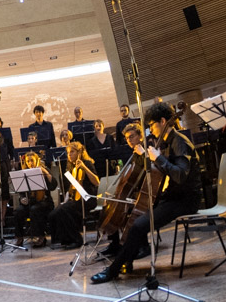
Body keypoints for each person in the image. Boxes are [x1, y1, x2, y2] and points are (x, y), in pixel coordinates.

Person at [91, 102, 201, 284]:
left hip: (185, 199)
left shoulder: (180, 142)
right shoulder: (166, 142)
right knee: (134, 218)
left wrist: (158, 158)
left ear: (163, 121)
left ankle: (113, 270)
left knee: (138, 225)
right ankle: (127, 260)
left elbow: (180, 175)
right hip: (171, 196)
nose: (150, 129)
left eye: (151, 125)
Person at [48, 141, 99, 248]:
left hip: (88, 198)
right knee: (54, 213)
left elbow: (96, 182)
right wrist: (65, 199)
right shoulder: (72, 167)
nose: (69, 155)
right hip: (76, 199)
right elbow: (71, 188)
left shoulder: (88, 163)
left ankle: (77, 239)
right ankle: (64, 239)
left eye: (72, 152)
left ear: (79, 153)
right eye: (68, 153)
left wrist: (84, 167)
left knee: (64, 210)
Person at [13, 151, 56, 248]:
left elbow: (53, 185)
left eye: (32, 161)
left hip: (45, 202)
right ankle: (19, 237)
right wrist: (22, 199)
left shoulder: (44, 170)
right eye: (28, 161)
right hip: (30, 203)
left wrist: (45, 172)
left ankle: (40, 236)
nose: (30, 163)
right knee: (18, 212)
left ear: (37, 160)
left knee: (35, 209)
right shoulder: (24, 173)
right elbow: (21, 192)